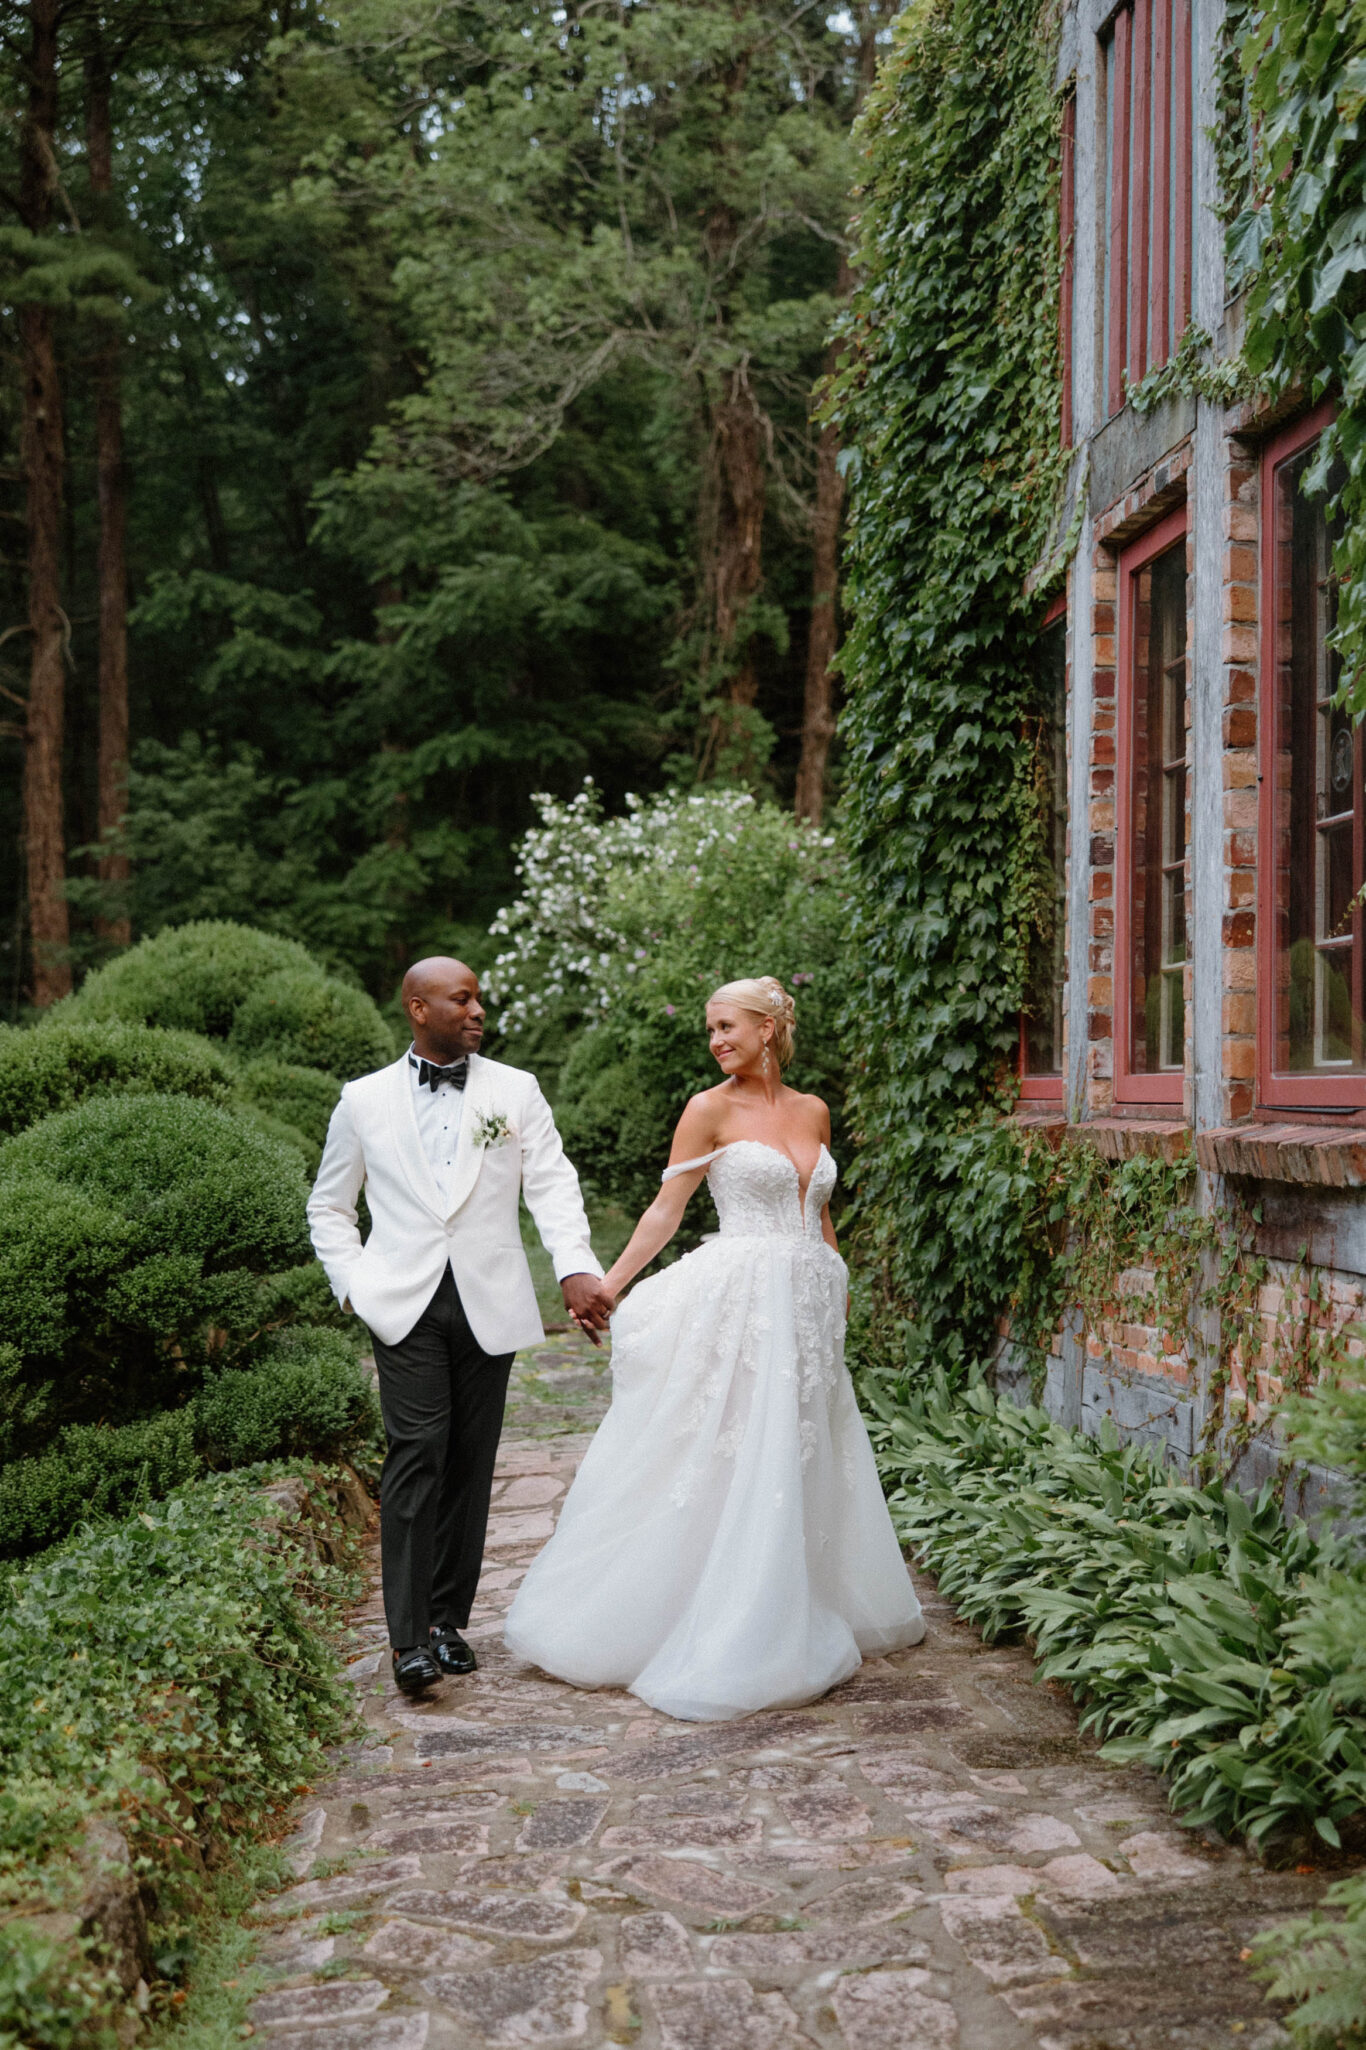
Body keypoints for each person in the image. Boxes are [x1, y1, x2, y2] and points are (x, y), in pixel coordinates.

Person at [505, 975, 924, 1721]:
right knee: (738, 1448)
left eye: (728, 1026)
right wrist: (610, 1284)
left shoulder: (814, 1110)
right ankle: (727, 1615)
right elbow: (668, 1211)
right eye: (711, 1030)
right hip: (744, 1301)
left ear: (770, 1030)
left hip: (810, 1305)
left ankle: (803, 1594)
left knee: (803, 1449)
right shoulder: (707, 1109)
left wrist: (842, 1292)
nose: (717, 1040)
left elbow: (821, 1217)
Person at [307, 957, 613, 1697]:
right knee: (417, 1452)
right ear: (418, 1007)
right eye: (462, 998)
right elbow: (329, 1207)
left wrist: (574, 1264)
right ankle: (407, 1641)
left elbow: (551, 1181)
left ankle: (447, 1622)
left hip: (488, 1298)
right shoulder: (363, 1100)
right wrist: (353, 1288)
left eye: (478, 997)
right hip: (401, 1302)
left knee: (470, 1463)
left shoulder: (516, 1090)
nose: (478, 1010)